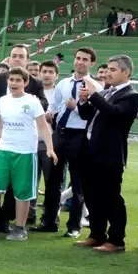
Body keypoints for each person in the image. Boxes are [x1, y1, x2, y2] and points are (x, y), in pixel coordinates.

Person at [0, 68, 56, 240]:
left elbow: (42, 126)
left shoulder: (32, 102)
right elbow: (0, 127)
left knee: (22, 192)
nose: (14, 83)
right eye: (11, 80)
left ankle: (20, 228)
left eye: (18, 80)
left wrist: (49, 147)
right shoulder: (3, 101)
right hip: (4, 151)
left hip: (25, 152)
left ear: (25, 83)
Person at [75, 54, 138, 253]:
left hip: (110, 155)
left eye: (113, 70)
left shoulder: (132, 95)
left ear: (126, 72)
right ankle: (96, 234)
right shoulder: (105, 93)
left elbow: (115, 114)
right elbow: (88, 115)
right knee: (91, 194)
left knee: (111, 197)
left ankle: (116, 240)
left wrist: (94, 95)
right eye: (108, 69)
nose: (108, 73)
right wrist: (83, 101)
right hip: (90, 151)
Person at [38, 47, 95, 237]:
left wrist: (76, 108)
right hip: (60, 133)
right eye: (78, 58)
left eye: (85, 59)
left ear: (91, 63)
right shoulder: (63, 83)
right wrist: (50, 113)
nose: (80, 62)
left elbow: (93, 113)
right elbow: (55, 104)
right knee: (53, 180)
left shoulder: (94, 86)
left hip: (79, 135)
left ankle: (74, 226)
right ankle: (49, 221)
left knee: (78, 182)